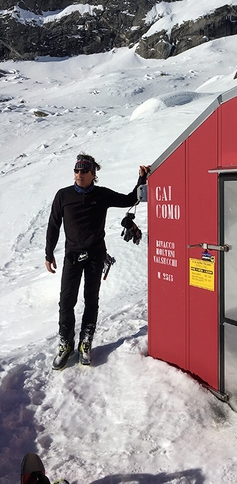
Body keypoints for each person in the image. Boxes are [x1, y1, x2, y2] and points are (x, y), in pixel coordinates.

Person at [45, 153, 150, 370]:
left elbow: (130, 199)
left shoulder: (101, 195)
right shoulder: (63, 196)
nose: (79, 174)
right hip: (72, 256)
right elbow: (54, 225)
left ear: (93, 174)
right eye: (76, 170)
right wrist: (49, 253)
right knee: (66, 301)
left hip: (95, 255)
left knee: (91, 299)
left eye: (84, 171)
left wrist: (142, 179)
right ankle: (66, 344)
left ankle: (86, 342)